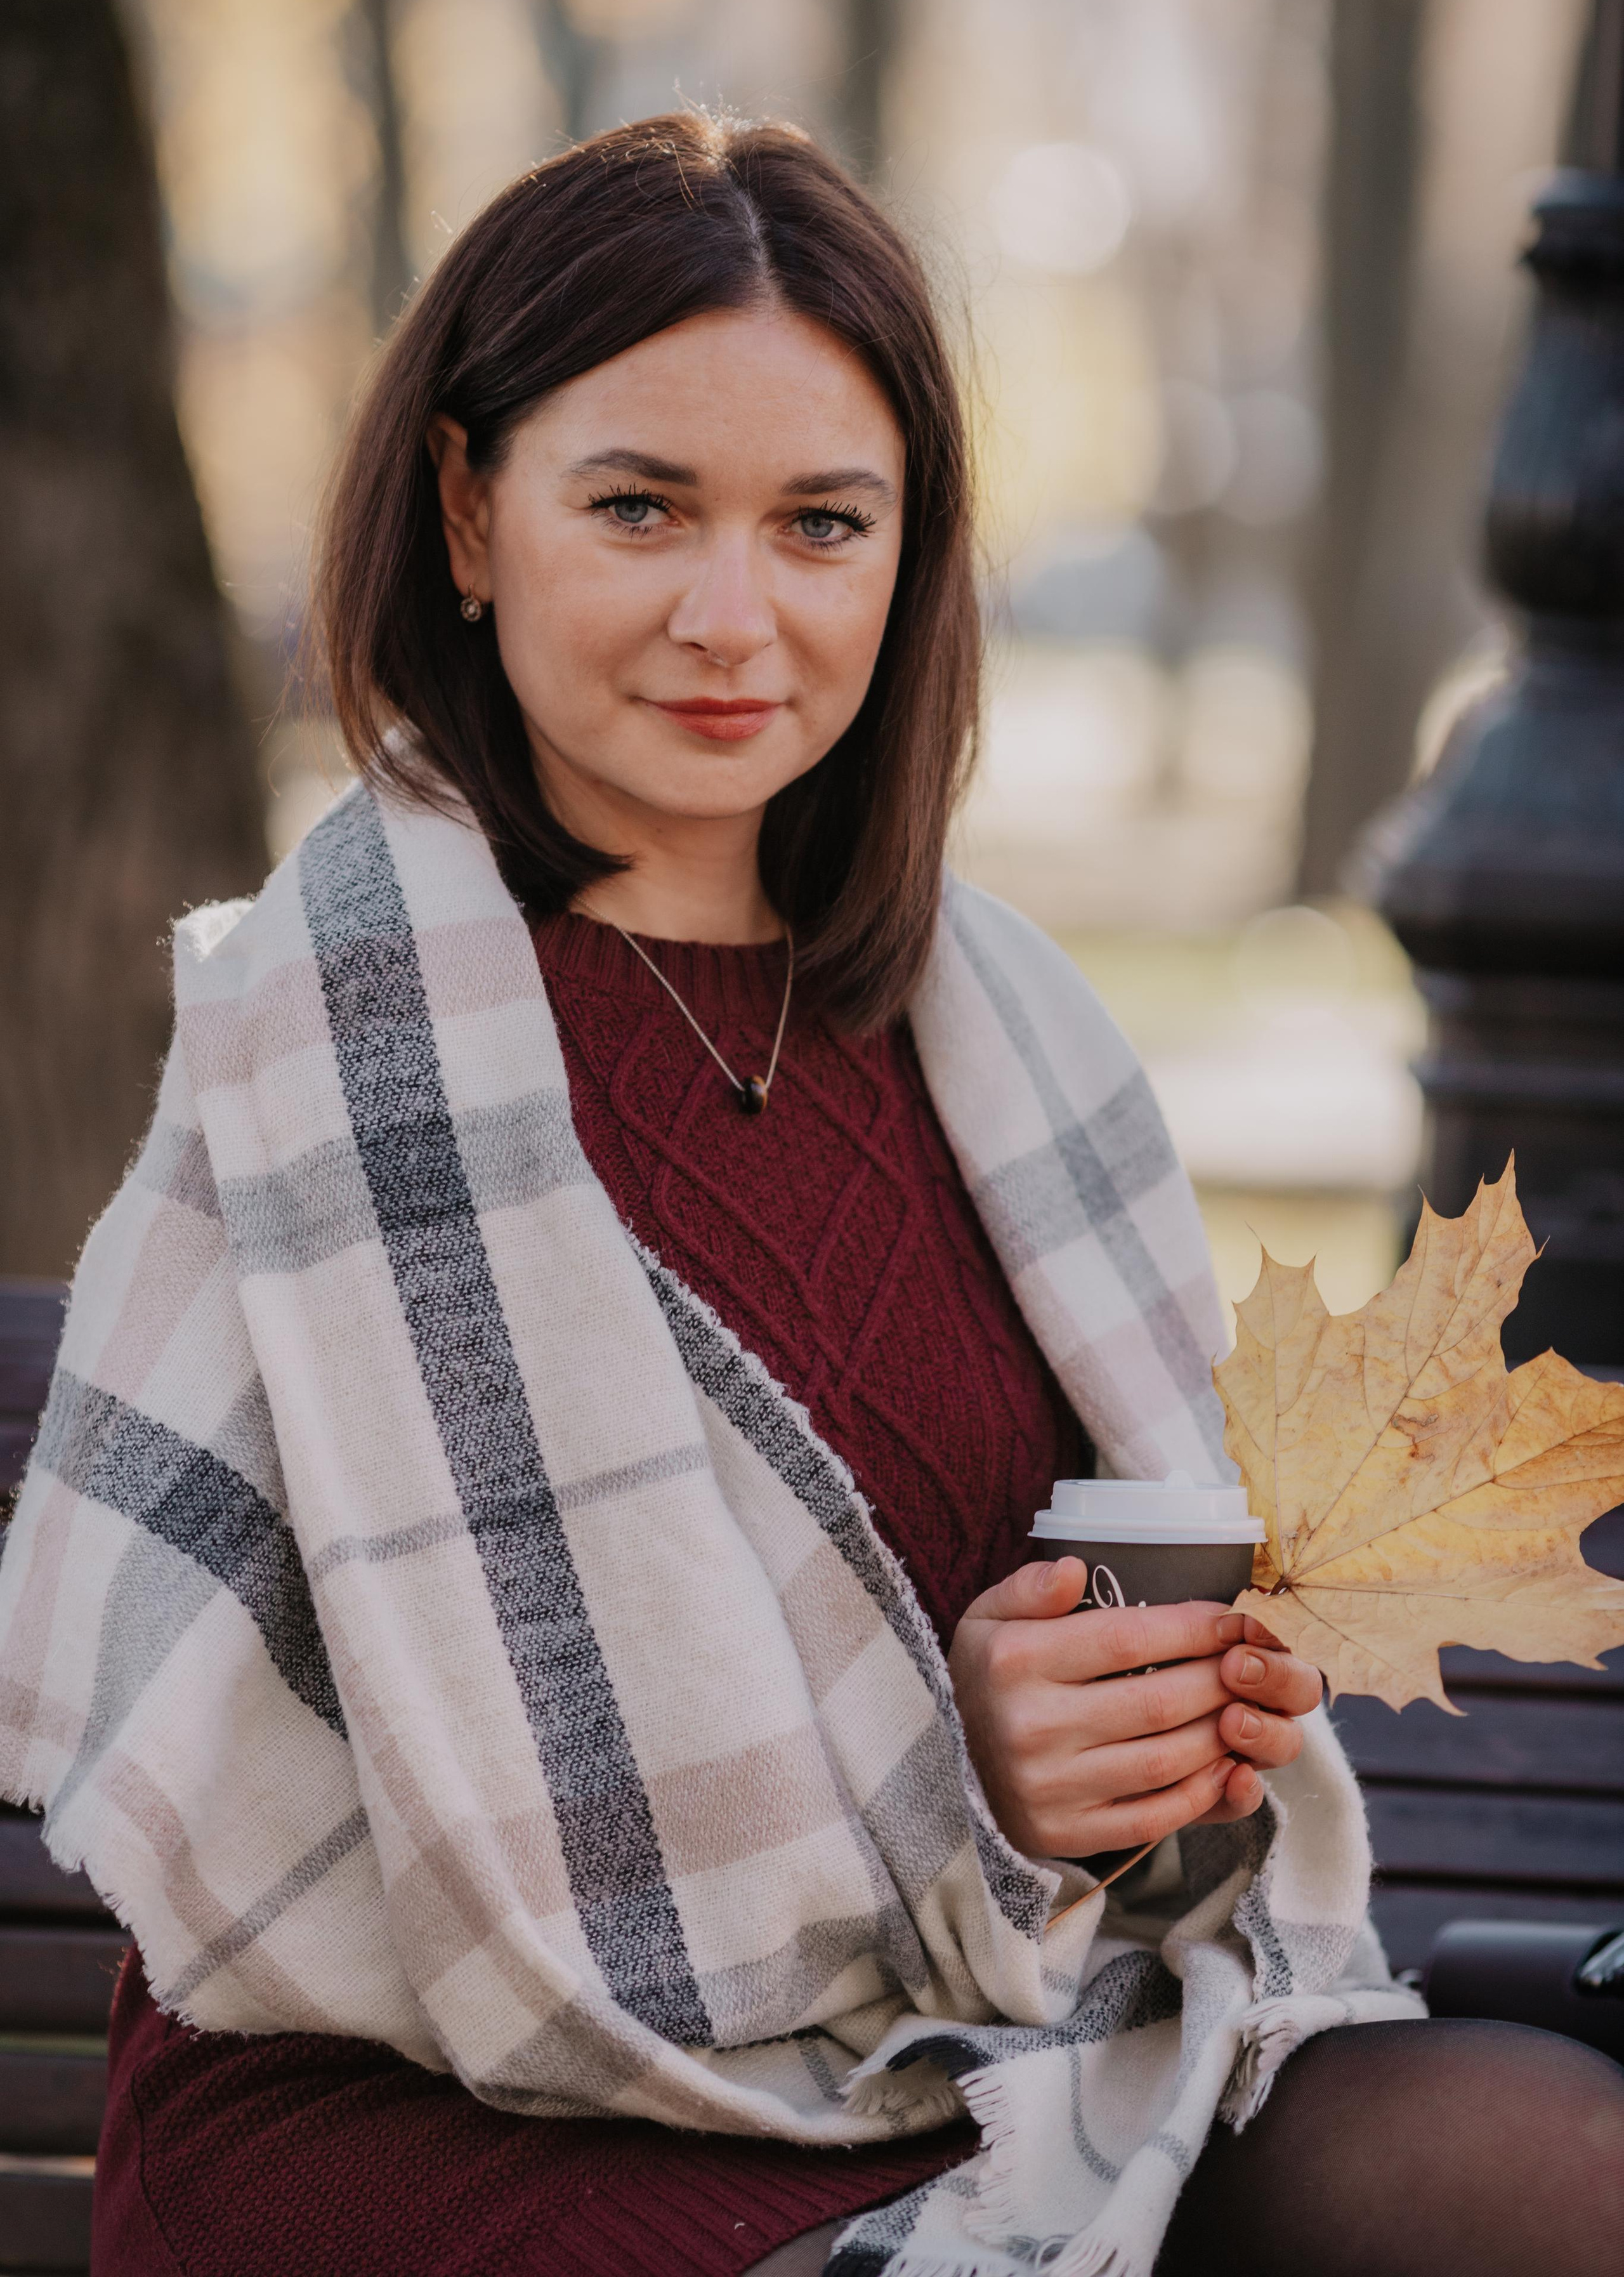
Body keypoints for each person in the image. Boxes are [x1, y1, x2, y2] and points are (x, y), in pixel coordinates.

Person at [0, 113, 1617, 2277]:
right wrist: (976, 1792)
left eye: (822, 523)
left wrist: (1152, 1748)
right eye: (640, 507)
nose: (733, 613)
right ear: (472, 516)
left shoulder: (1009, 1036)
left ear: (907, 553)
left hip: (991, 2041)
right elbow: (282, 1785)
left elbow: (1108, 1788)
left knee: (1549, 2172)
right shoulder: (334, 1052)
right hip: (444, 2129)